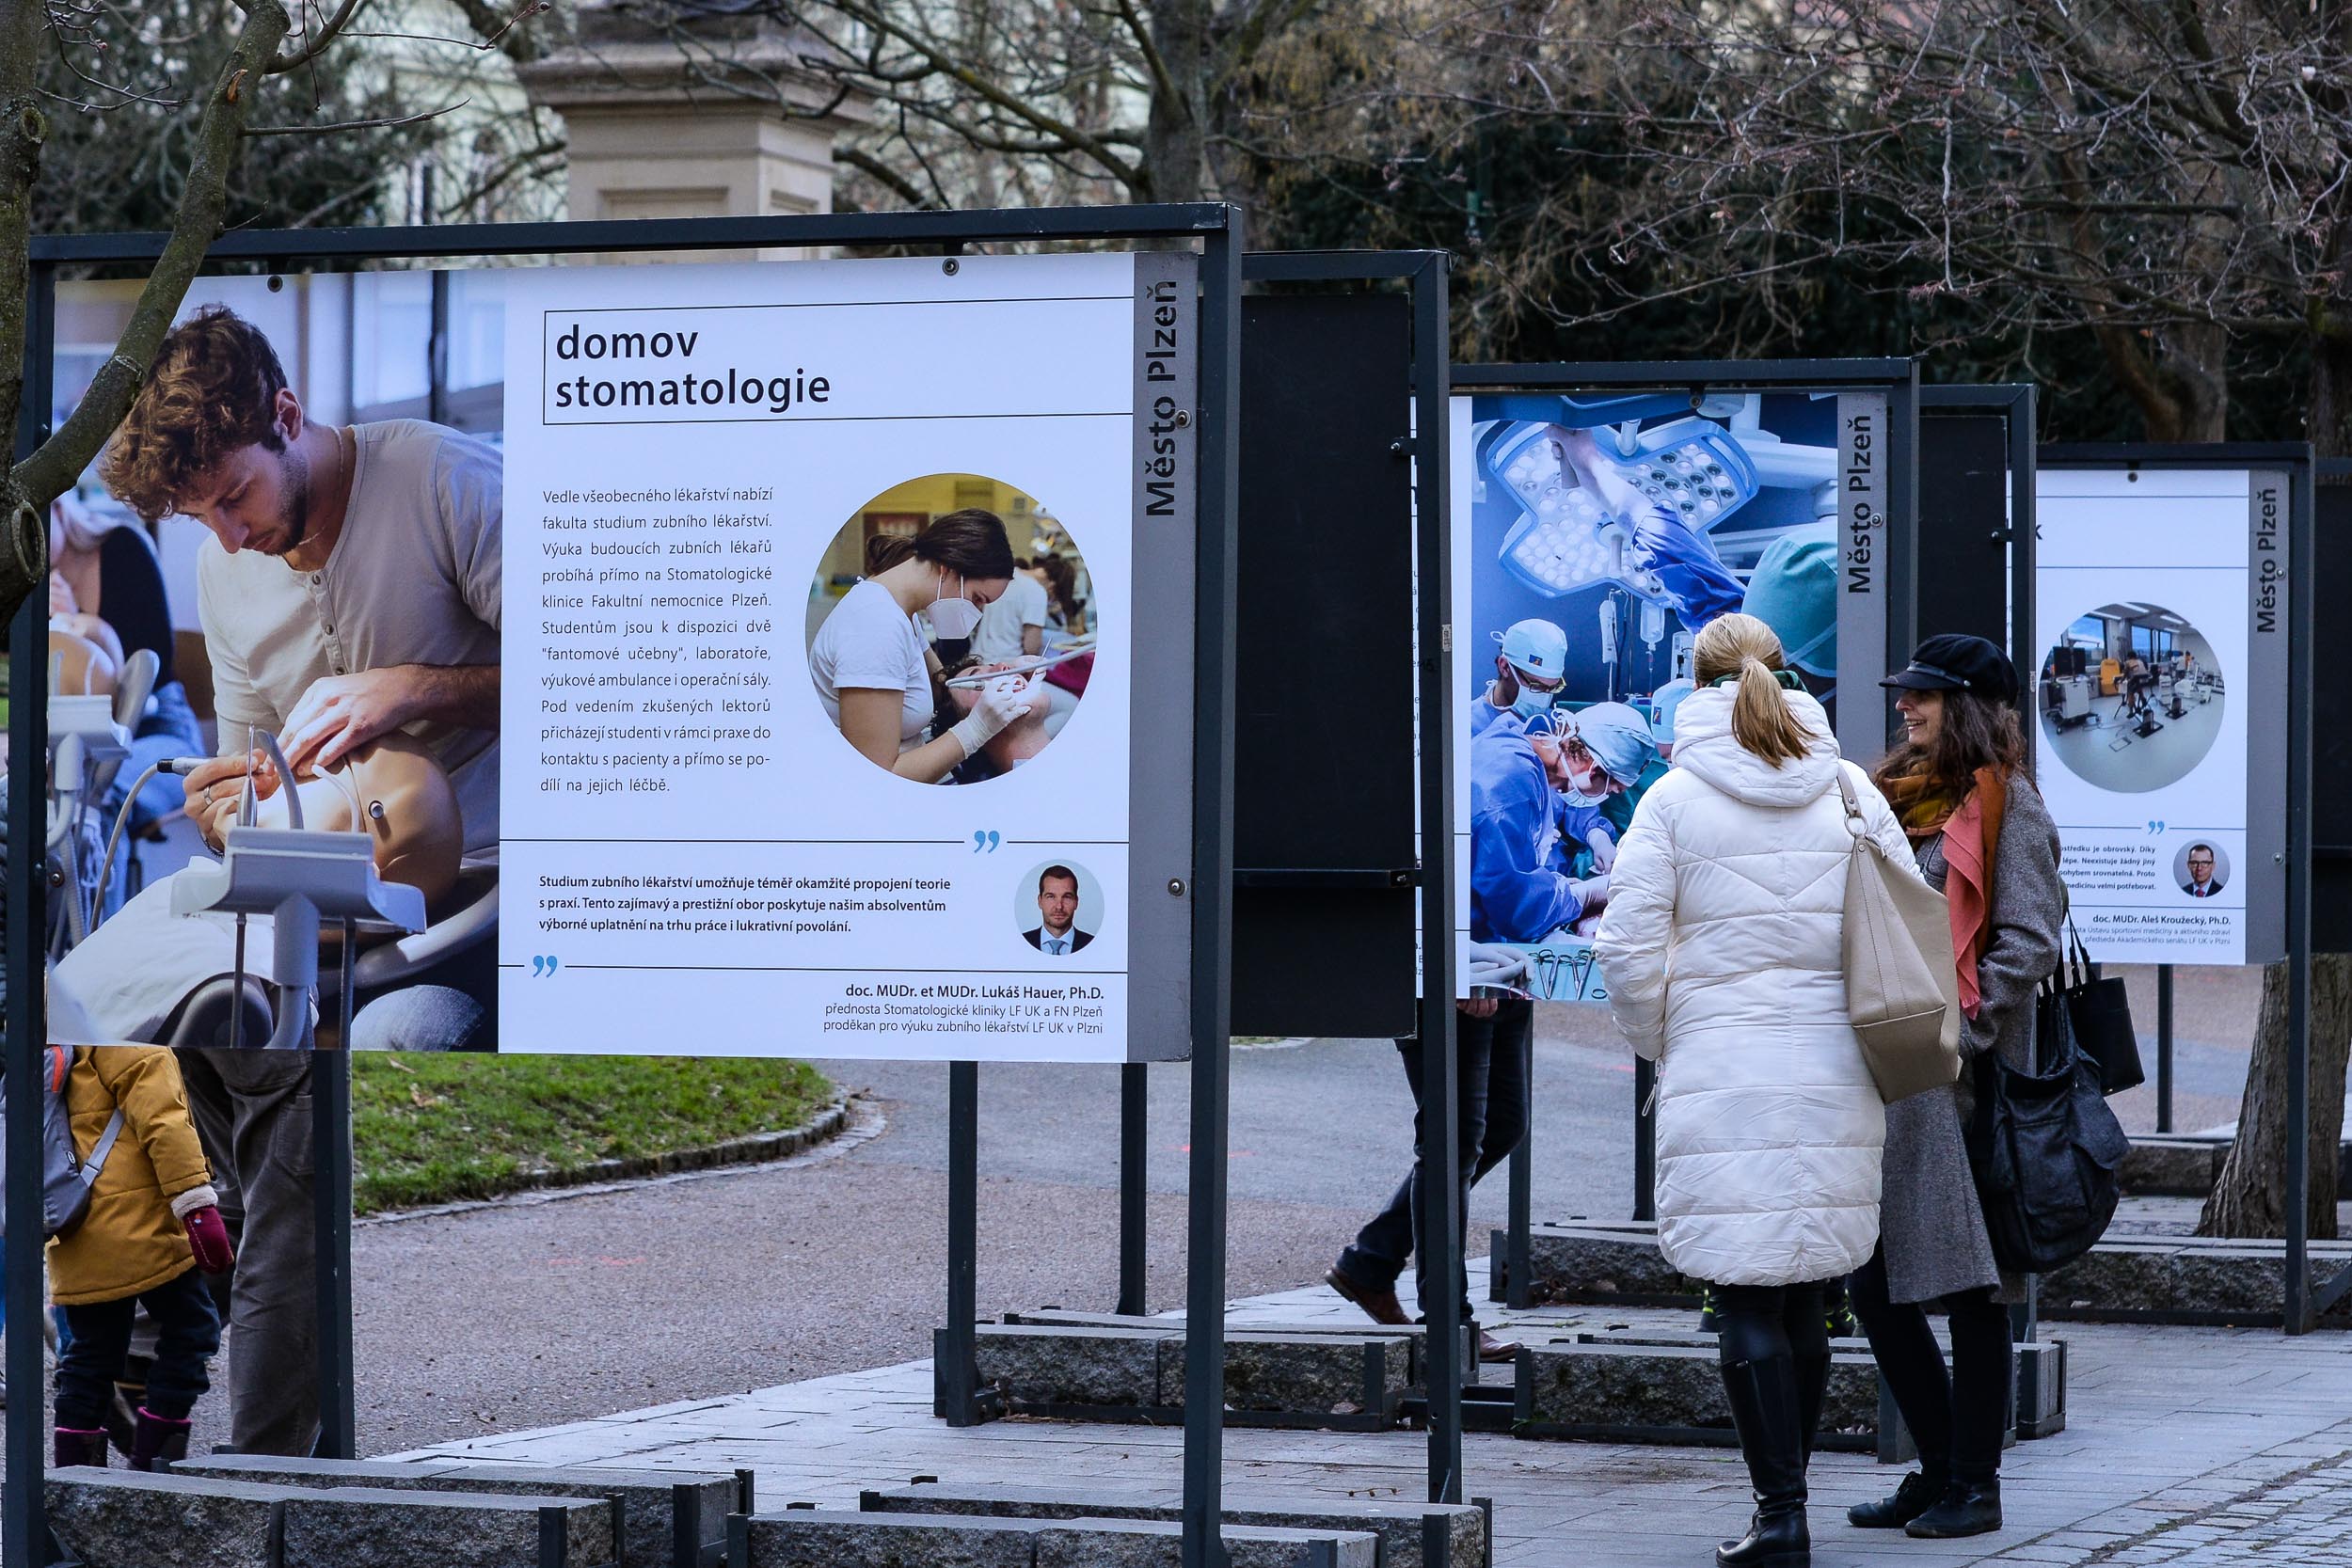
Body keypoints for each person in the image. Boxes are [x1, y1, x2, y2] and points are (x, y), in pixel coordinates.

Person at [1593, 611, 1912, 1568]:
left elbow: (1626, 948)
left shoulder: (1672, 799)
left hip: (1720, 1066)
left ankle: (1779, 1514)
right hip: (1836, 1069)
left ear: (1695, 684)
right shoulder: (1852, 790)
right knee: (1809, 1291)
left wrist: (1663, 1040)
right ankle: (1790, 1503)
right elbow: (1905, 915)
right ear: (1786, 674)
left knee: (1739, 1291)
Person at [1851, 633, 2064, 1541]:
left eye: (1926, 696)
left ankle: (1975, 1483)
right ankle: (1937, 1466)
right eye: (1906, 694)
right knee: (1874, 1281)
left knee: (1976, 1291)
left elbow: (2026, 941)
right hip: (1896, 1079)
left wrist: (1960, 1038)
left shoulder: (2009, 804)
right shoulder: (1892, 798)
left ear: (1971, 704)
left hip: (1971, 1088)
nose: (1906, 707)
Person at [48, 1044, 235, 1472]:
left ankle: (73, 1481)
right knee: (193, 1329)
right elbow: (164, 1121)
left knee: (93, 1353)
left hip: (74, 1220)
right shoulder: (131, 1035)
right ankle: (155, 1466)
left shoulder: (52, 1019)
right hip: (139, 1225)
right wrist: (195, 1204)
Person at [1327, 991, 1532, 1364]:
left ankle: (1371, 1262)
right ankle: (1447, 1320)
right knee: (1451, 1139)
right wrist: (1461, 972)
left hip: (1507, 977)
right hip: (1448, 978)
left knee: (1502, 1126)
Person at [808, 511, 1041, 784]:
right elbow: (876, 778)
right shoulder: (875, 626)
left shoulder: (902, 613)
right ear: (949, 568)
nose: (978, 612)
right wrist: (978, 728)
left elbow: (942, 684)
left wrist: (1003, 670)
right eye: (978, 599)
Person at [48, 495, 205, 842]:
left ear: (59, 508)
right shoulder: (21, 584)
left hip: (155, 728)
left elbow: (153, 661)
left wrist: (77, 621)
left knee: (96, 795)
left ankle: (97, 895)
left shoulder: (123, 548)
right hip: (64, 744)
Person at [1468, 702, 1656, 944]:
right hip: (1470, 937)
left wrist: (1557, 885)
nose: (1609, 795)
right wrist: (1585, 895)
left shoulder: (1523, 753)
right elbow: (1515, 908)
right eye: (1612, 788)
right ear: (1594, 770)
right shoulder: (1510, 785)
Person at [1472, 618, 1568, 737]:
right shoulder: (1467, 725)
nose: (1544, 698)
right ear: (1505, 667)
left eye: (1552, 688)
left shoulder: (1555, 726)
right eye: (1536, 686)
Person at [974, 556, 1051, 663]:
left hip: (977, 658)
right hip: (1005, 665)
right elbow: (1031, 647)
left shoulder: (1002, 577)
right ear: (1052, 585)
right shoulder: (1037, 591)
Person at [1023, 865, 1092, 954]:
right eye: (1051, 897)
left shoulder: (1094, 944)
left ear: (1076, 902)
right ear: (1040, 901)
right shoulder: (1019, 942)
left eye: (1067, 897)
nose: (1059, 906)